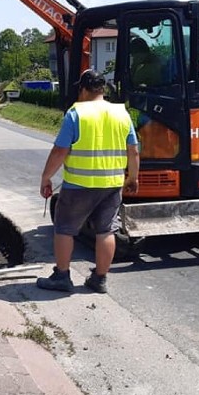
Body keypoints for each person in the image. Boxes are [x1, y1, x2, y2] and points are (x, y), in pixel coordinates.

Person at [37, 69, 140, 293]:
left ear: (82, 89)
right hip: (112, 185)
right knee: (106, 230)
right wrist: (133, 177)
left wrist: (46, 178)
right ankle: (100, 279)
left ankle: (62, 277)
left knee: (65, 229)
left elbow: (59, 151)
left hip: (78, 186)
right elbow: (133, 151)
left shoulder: (76, 113)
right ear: (103, 89)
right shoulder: (122, 114)